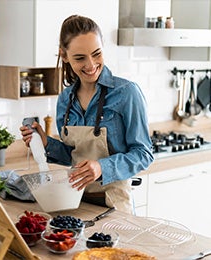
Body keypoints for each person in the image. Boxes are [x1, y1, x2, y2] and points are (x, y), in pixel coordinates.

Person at [20, 15, 154, 214]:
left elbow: (144, 154)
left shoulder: (127, 93)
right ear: (64, 56)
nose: (91, 65)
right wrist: (46, 143)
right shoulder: (65, 99)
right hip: (75, 201)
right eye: (80, 58)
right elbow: (74, 156)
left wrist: (102, 168)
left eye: (96, 54)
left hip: (115, 204)